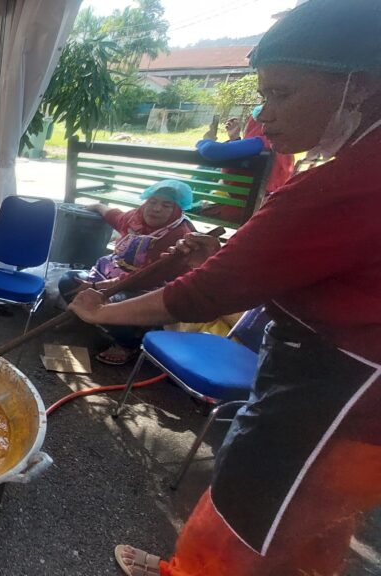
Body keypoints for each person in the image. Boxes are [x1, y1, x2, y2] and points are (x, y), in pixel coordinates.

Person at [68, 1, 381, 574]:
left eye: (282, 93)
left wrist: (98, 312)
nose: (265, 115)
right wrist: (225, 260)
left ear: (356, 87)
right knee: (304, 532)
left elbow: (201, 295)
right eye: (264, 96)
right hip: (330, 384)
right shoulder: (357, 160)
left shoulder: (348, 181)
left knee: (246, 524)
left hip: (338, 398)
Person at [59, 180, 195, 365]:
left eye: (166, 205)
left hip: (150, 288)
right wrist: (98, 206)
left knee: (110, 302)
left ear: (177, 210)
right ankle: (87, 319)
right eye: (153, 202)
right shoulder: (134, 219)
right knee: (69, 280)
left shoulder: (178, 236)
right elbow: (114, 216)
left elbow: (145, 278)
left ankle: (128, 343)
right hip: (116, 275)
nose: (156, 209)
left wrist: (96, 286)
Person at [195, 108, 296, 223]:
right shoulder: (284, 148)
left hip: (239, 211)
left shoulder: (261, 142)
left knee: (190, 207)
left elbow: (211, 151)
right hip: (263, 208)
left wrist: (206, 140)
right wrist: (235, 139)